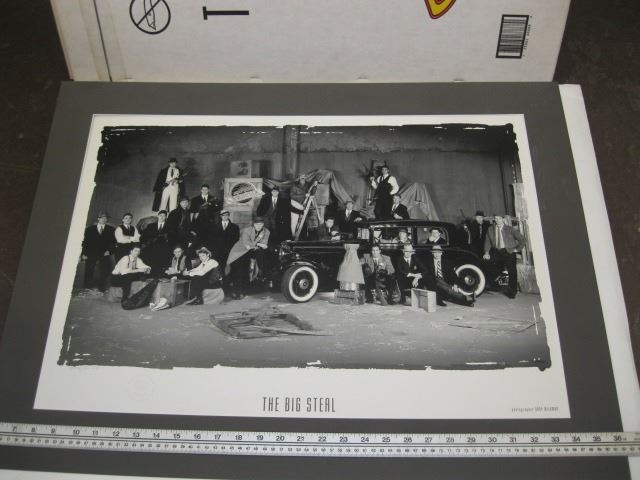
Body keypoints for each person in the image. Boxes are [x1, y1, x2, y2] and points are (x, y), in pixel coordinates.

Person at [396, 244, 473, 307]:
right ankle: (466, 299)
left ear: (441, 253)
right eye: (435, 252)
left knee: (450, 292)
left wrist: (455, 285)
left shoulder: (446, 262)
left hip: (445, 282)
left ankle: (467, 301)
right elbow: (425, 272)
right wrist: (417, 277)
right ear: (432, 253)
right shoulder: (428, 261)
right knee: (447, 289)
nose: (437, 254)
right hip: (434, 281)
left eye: (438, 252)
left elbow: (453, 275)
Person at [227, 217, 270, 299]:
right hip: (238, 252)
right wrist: (258, 244)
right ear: (254, 224)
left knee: (246, 272)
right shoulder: (247, 230)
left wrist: (258, 245)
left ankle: (243, 292)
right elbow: (246, 244)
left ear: (263, 224)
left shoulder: (266, 231)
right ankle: (236, 292)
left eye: (260, 224)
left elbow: (265, 244)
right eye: (256, 224)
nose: (258, 226)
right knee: (238, 272)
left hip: (249, 252)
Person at [483, 214, 524, 299]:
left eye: (499, 218)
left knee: (512, 270)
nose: (497, 220)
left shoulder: (510, 229)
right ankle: (495, 284)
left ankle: (512, 292)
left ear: (503, 219)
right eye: (496, 218)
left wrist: (517, 249)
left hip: (508, 251)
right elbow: (487, 242)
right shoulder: (490, 229)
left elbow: (522, 239)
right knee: (485, 262)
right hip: (496, 251)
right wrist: (486, 252)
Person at [81, 212, 115, 292]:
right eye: (102, 217)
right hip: (91, 253)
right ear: (98, 219)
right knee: (89, 270)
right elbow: (85, 242)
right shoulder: (89, 229)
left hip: (104, 253)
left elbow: (113, 242)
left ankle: (101, 288)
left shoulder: (111, 229)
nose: (104, 219)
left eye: (105, 218)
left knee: (105, 270)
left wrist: (109, 251)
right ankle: (87, 287)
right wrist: (84, 253)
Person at [208, 210, 240, 275]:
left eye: (226, 215)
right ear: (220, 216)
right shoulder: (215, 227)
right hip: (218, 252)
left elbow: (236, 240)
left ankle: (228, 279)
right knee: (219, 268)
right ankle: (220, 278)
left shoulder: (235, 227)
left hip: (229, 252)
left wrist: (232, 250)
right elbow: (212, 240)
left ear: (228, 216)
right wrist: (213, 250)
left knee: (229, 268)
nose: (225, 217)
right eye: (223, 215)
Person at [140, 210, 172, 275]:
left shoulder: (169, 226)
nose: (162, 217)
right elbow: (143, 237)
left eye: (164, 216)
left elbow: (172, 237)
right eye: (160, 216)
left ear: (166, 217)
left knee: (162, 261)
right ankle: (151, 273)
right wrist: (147, 243)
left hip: (164, 247)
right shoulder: (150, 226)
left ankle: (160, 274)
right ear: (158, 216)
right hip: (152, 247)